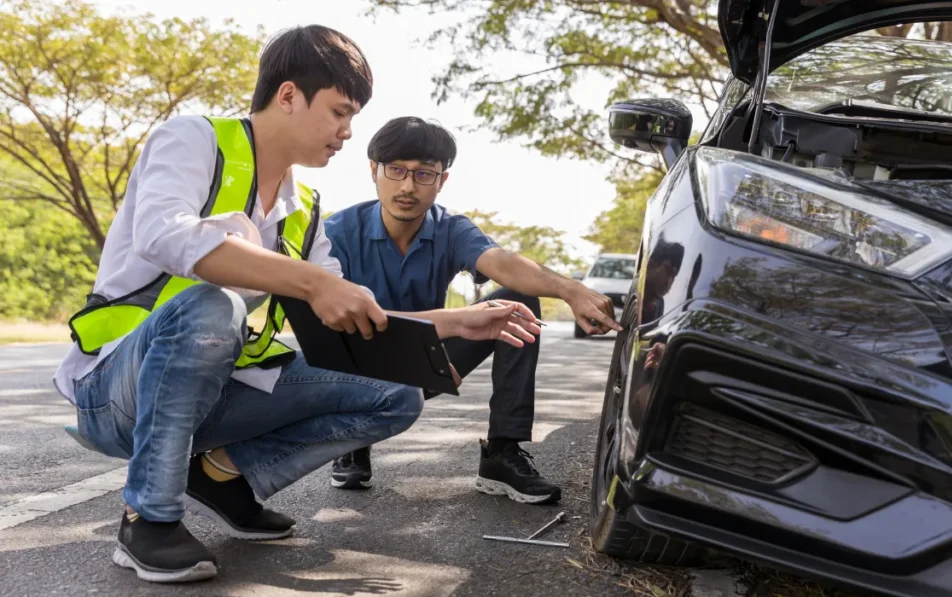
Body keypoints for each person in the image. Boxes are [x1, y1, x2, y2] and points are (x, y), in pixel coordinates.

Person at [52, 26, 539, 584]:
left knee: (397, 395)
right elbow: (163, 234)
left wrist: (459, 321)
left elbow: (349, 314)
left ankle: (222, 476)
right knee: (212, 307)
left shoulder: (304, 207)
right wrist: (309, 281)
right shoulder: (193, 139)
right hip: (118, 391)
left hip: (216, 396)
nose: (347, 132)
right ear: (288, 96)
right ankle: (149, 517)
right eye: (339, 112)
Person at [323, 117, 623, 505]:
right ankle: (353, 441)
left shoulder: (449, 228)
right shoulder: (337, 233)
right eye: (396, 170)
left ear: (442, 180)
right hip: (357, 366)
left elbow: (502, 262)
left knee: (518, 301)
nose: (408, 186)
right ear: (373, 171)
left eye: (424, 174)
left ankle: (502, 452)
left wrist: (570, 289)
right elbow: (328, 325)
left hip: (428, 360)